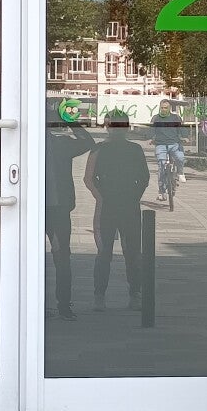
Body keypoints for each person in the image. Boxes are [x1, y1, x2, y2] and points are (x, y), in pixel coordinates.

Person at [84, 112, 150, 310]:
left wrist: (101, 196)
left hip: (114, 205)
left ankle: (105, 296)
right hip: (120, 205)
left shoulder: (104, 149)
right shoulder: (127, 149)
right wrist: (132, 196)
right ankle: (125, 295)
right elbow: (144, 178)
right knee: (121, 252)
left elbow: (88, 179)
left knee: (115, 252)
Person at [44, 105, 95, 322]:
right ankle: (61, 305)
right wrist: (68, 121)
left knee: (61, 256)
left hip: (54, 209)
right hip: (46, 209)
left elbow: (88, 143)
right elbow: (87, 142)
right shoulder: (56, 144)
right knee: (61, 256)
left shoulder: (59, 144)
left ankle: (62, 303)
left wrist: (69, 121)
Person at [151, 100, 186, 199]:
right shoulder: (156, 118)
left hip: (174, 144)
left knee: (180, 157)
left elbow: (181, 129)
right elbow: (151, 130)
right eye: (162, 107)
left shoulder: (175, 118)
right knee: (161, 167)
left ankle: (180, 173)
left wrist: (185, 137)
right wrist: (150, 138)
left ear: (169, 108)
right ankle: (161, 192)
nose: (163, 109)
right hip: (160, 145)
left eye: (165, 108)